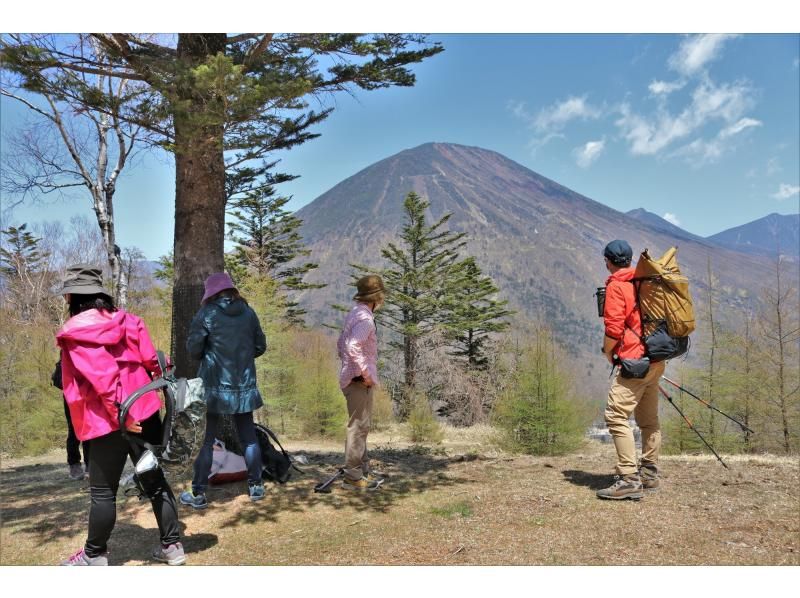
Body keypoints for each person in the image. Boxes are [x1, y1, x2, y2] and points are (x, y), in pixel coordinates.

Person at [56, 264, 184, 565]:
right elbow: (154, 361)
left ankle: (94, 555)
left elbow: (103, 376)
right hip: (144, 410)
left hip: (108, 421)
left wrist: (122, 414)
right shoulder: (128, 320)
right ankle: (173, 546)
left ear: (73, 296)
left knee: (103, 493)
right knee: (154, 482)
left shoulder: (76, 331)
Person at [179, 272, 267, 509]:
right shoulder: (248, 313)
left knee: (206, 441)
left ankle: (198, 493)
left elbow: (193, 348)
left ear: (212, 293)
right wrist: (243, 358)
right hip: (244, 385)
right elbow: (261, 345)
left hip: (213, 386)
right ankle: (256, 486)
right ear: (231, 290)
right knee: (249, 438)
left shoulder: (206, 314)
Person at [597, 240, 665, 500]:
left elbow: (613, 328)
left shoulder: (617, 286)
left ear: (608, 260)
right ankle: (649, 473)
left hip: (634, 362)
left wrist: (608, 352)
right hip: (657, 359)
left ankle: (628, 479)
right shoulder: (645, 281)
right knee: (649, 420)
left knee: (615, 416)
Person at [336, 274, 386, 491]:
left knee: (362, 426)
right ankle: (353, 476)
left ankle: (362, 470)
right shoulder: (365, 319)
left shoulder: (355, 314)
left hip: (352, 378)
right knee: (357, 427)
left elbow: (341, 343)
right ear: (377, 297)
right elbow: (352, 346)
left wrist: (348, 366)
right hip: (358, 381)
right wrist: (364, 374)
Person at [52, 359, 91, 480]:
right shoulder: (65, 356)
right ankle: (74, 465)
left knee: (89, 430)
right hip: (71, 398)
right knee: (74, 430)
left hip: (88, 395)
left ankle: (90, 466)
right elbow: (58, 381)